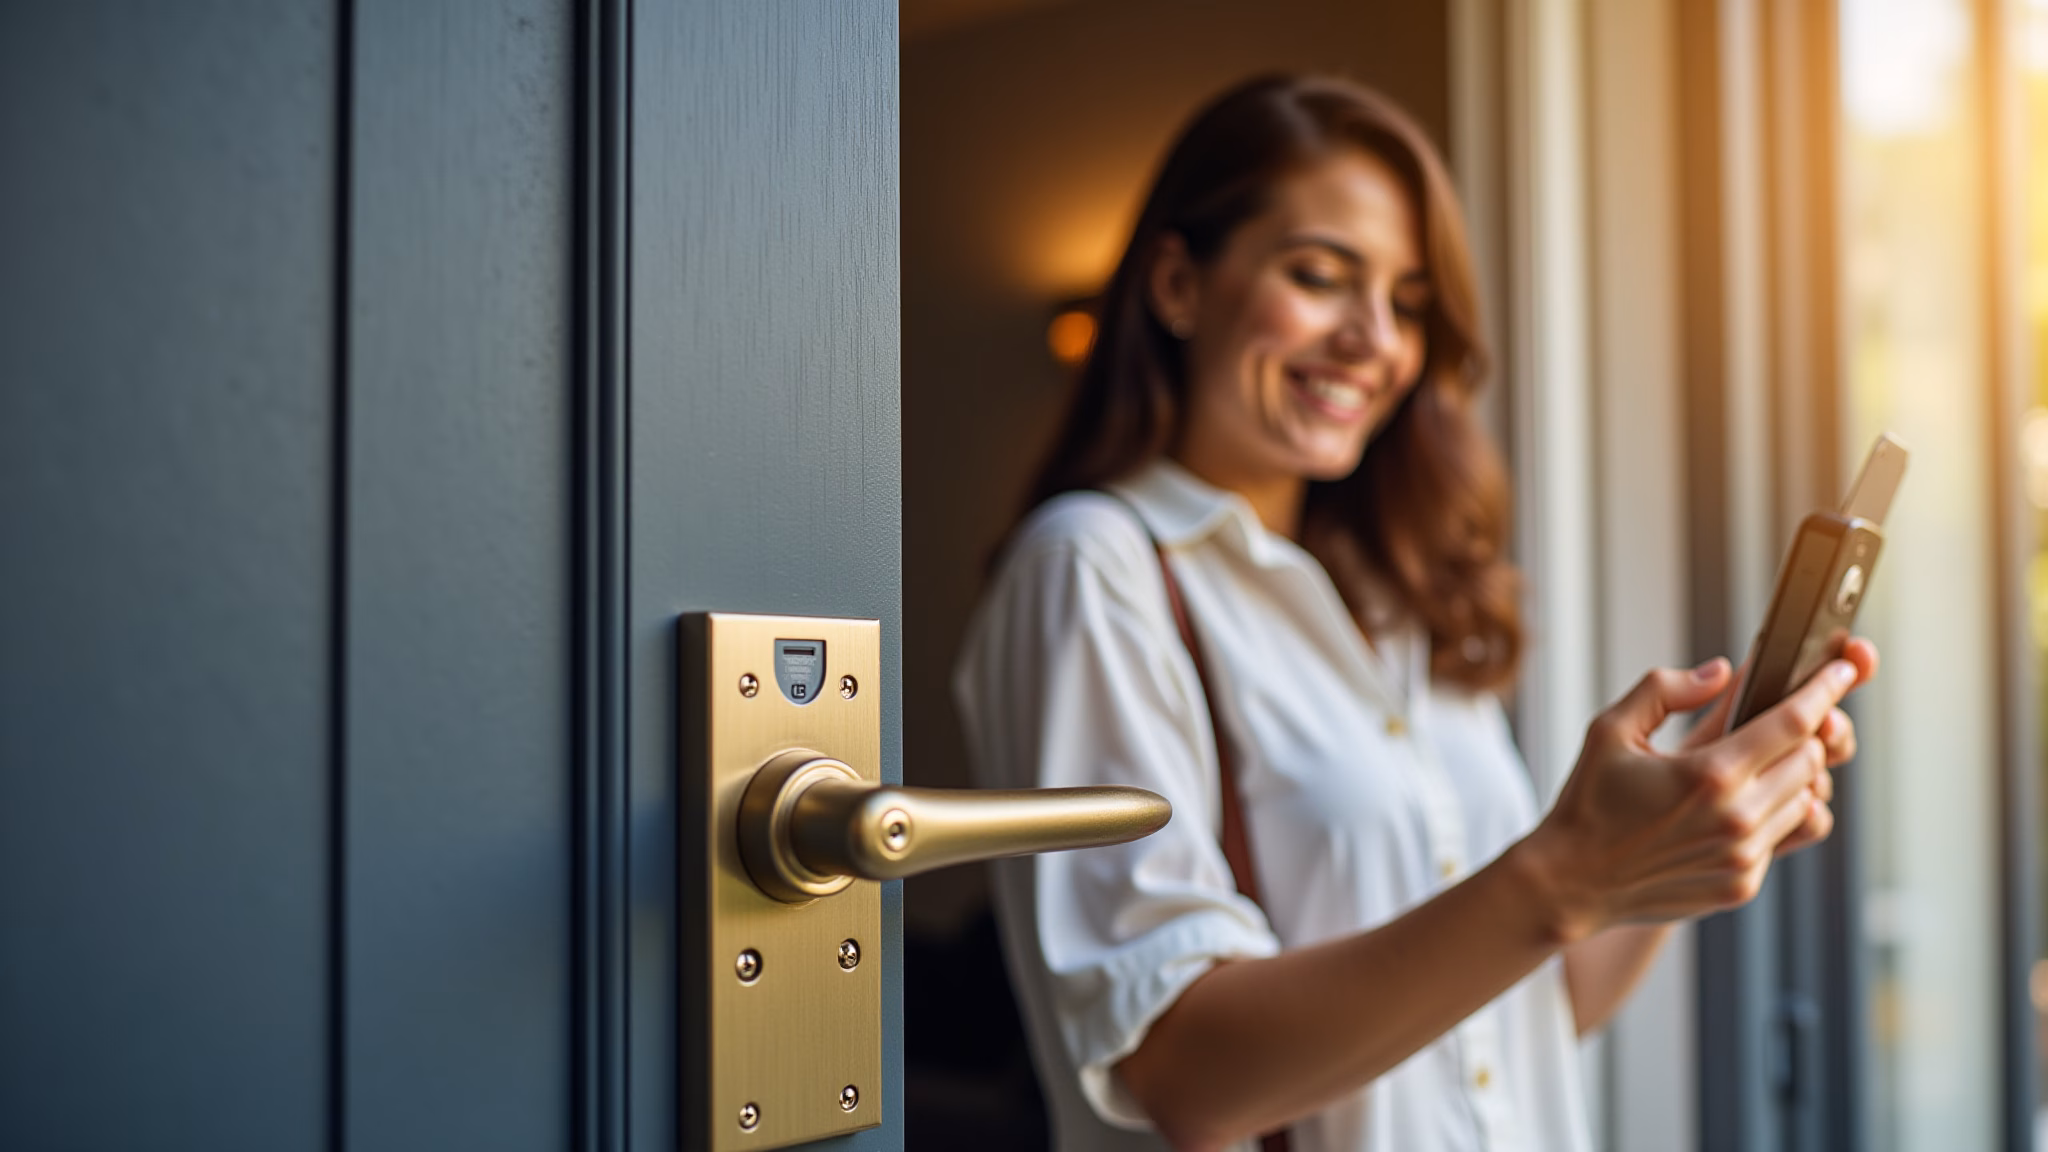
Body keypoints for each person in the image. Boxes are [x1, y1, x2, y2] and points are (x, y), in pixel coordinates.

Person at [952, 74, 1876, 1152]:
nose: (1370, 340)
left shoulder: (1398, 604)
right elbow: (1183, 1076)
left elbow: (1527, 1010)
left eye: (1404, 304)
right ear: (1177, 284)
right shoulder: (1091, 569)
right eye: (1317, 277)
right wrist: (1561, 875)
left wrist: (1662, 844)